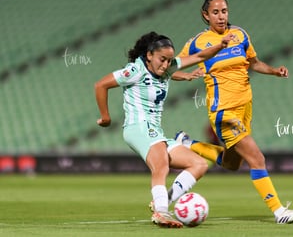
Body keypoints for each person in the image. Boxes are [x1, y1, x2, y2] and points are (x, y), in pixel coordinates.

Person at [172, 0, 293, 224]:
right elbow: (169, 67)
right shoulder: (198, 43)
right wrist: (184, 75)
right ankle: (279, 212)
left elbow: (254, 63)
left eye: (224, 11)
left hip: (245, 107)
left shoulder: (240, 34)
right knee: (257, 158)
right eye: (215, 12)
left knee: (233, 163)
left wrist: (274, 71)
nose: (221, 16)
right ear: (206, 15)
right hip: (223, 111)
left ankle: (187, 143)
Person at [94, 31, 233, 228]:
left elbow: (199, 56)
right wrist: (106, 117)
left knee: (198, 164)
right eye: (162, 60)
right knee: (161, 166)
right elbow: (100, 85)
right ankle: (161, 213)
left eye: (169, 61)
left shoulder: (166, 68)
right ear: (149, 55)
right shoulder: (135, 70)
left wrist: (220, 45)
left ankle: (163, 201)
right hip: (138, 127)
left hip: (155, 131)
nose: (166, 65)